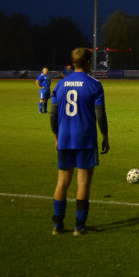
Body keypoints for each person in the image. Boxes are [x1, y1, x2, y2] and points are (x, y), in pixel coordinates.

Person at [50, 47, 109, 236]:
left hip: (65, 138)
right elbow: (100, 114)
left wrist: (56, 136)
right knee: (83, 183)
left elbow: (52, 113)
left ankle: (57, 226)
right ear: (88, 62)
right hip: (85, 138)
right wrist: (105, 136)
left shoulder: (60, 84)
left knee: (62, 182)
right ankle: (79, 227)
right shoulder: (94, 84)